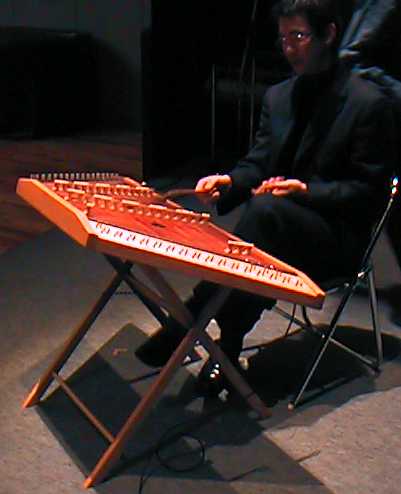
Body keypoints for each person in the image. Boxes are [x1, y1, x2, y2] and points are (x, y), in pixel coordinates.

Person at [136, 0, 396, 394]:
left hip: (336, 239)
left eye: (299, 36)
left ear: (328, 34)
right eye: (283, 38)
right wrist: (228, 180)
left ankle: (194, 317)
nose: (289, 48)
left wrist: (305, 192)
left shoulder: (368, 103)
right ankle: (226, 342)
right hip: (276, 232)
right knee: (265, 221)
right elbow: (257, 164)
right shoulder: (278, 96)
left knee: (265, 214)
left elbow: (369, 193)